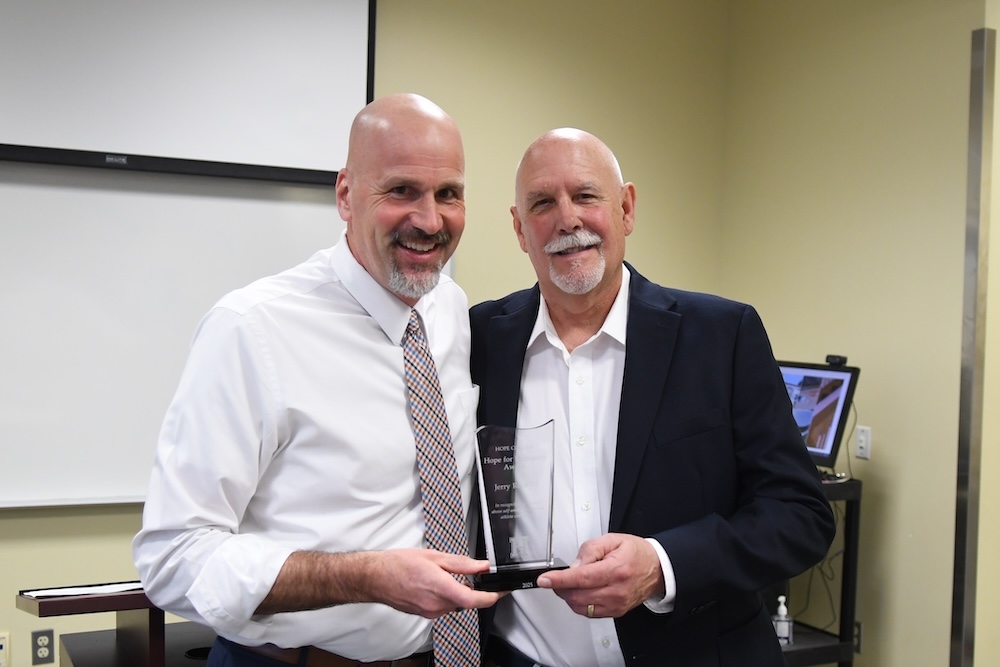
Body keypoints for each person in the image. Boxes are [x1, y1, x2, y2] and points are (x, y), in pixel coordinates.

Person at [133, 93, 502, 667]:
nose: (430, 221)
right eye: (401, 190)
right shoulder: (251, 329)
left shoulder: (450, 308)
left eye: (448, 194)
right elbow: (174, 557)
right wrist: (363, 576)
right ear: (346, 195)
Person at [470, 128, 837, 667]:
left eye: (587, 195)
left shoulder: (721, 335)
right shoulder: (480, 339)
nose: (567, 219)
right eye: (543, 203)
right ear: (520, 229)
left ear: (627, 208)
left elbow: (800, 515)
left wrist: (663, 565)